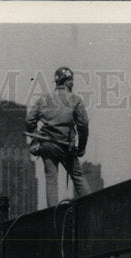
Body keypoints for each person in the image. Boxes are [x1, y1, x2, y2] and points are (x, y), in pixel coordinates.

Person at [25, 66, 92, 206]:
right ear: (67, 81)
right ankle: (91, 207)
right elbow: (83, 125)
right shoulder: (75, 100)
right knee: (78, 176)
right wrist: (82, 147)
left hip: (47, 145)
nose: (73, 83)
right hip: (66, 146)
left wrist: (36, 139)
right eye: (71, 80)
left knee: (51, 179)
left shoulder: (43, 99)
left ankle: (53, 215)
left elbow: (29, 120)